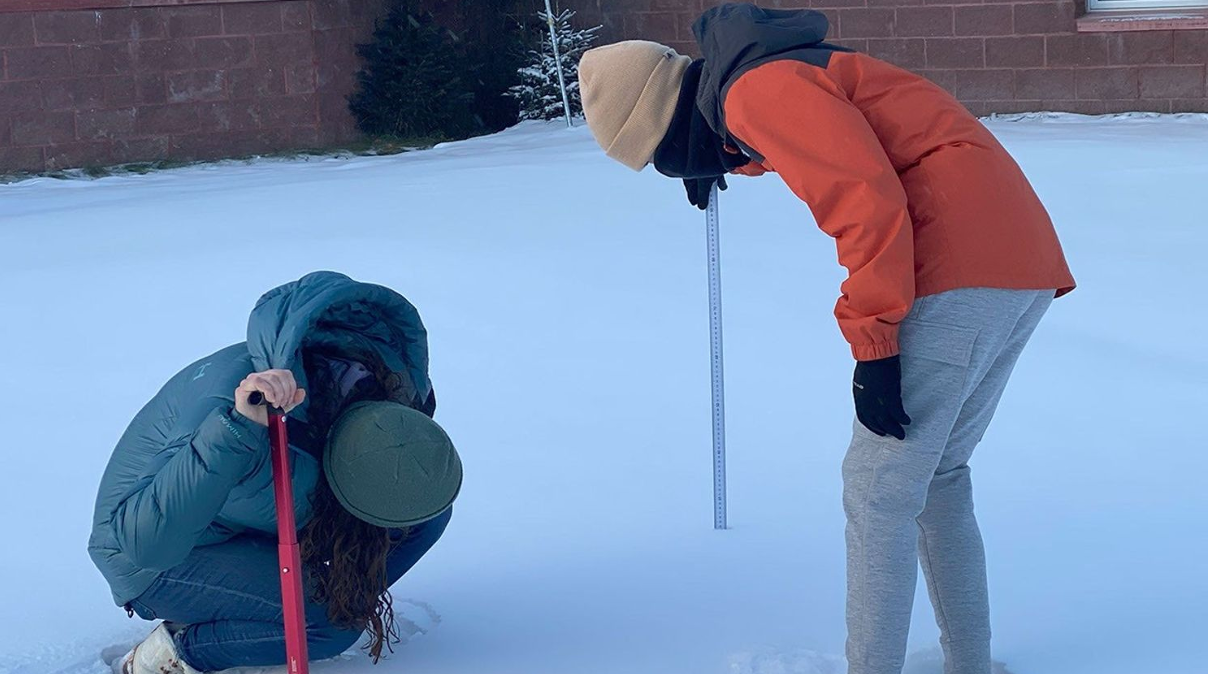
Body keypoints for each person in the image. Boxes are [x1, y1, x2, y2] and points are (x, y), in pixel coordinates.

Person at [577, 5, 1074, 674]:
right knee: (939, 476)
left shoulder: (759, 89)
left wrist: (876, 349)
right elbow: (843, 144)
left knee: (878, 494)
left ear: (669, 119)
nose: (672, 169)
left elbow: (865, 202)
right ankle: (970, 663)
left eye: (662, 157)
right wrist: (725, 154)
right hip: (1014, 260)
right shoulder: (768, 77)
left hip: (956, 262)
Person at [88, 271, 463, 674]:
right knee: (331, 627)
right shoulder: (245, 406)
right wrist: (236, 430)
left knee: (422, 513)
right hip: (160, 556)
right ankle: (184, 649)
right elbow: (144, 543)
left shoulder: (381, 387)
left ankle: (298, 605)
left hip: (249, 522)